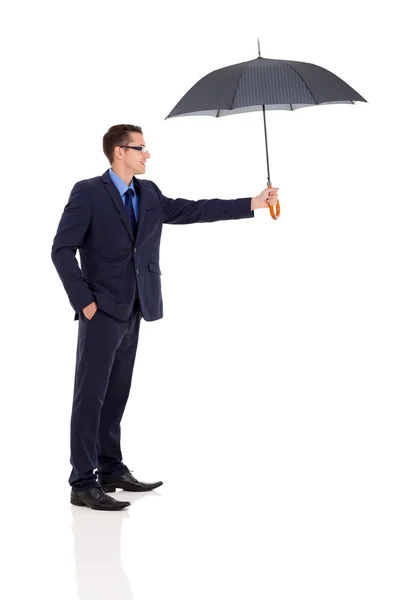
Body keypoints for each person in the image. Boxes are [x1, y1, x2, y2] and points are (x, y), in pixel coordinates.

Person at [51, 124, 279, 511]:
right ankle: (81, 482)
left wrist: (252, 203)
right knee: (91, 395)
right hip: (102, 310)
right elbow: (61, 249)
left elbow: (193, 210)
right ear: (119, 151)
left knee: (117, 392)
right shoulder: (88, 192)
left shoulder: (149, 193)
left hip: (138, 307)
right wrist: (85, 302)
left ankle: (110, 468)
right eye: (140, 148)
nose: (147, 154)